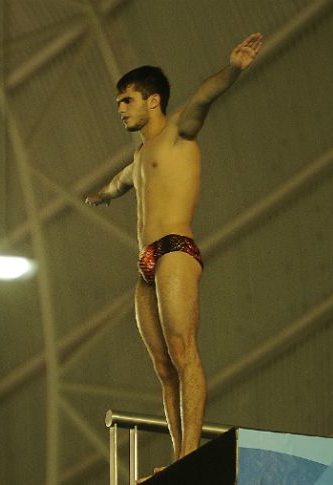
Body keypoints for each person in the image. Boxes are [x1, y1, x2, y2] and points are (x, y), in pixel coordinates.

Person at [85, 32, 263, 478]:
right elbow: (120, 182)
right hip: (145, 262)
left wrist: (234, 67)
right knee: (164, 368)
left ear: (154, 101)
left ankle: (190, 456)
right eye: (118, 102)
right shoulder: (139, 158)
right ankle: (179, 453)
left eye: (127, 100)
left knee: (184, 351)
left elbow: (206, 94)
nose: (120, 109)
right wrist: (101, 195)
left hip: (175, 250)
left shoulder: (180, 131)